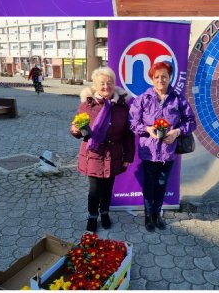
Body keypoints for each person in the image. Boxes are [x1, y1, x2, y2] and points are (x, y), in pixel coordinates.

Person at [129, 61, 197, 232]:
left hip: (168, 152)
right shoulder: (143, 99)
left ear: (170, 77)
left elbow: (191, 122)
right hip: (148, 152)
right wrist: (147, 129)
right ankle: (148, 216)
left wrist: (176, 132)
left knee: (161, 184)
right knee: (149, 184)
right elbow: (133, 123)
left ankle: (157, 215)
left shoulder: (178, 99)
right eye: (157, 76)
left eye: (164, 76)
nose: (161, 80)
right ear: (152, 78)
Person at [70, 67, 134, 232]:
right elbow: (76, 128)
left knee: (108, 188)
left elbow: (128, 134)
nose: (106, 86)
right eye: (102, 83)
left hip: (114, 154)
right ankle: (92, 216)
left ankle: (104, 213)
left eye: (109, 82)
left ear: (114, 84)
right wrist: (75, 130)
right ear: (95, 85)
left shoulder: (122, 105)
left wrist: (128, 157)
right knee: (94, 190)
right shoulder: (87, 104)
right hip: (93, 154)